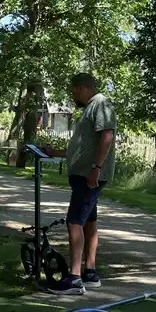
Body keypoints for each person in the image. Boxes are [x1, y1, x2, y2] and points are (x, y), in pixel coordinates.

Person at [46, 72, 116, 295]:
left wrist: (96, 168)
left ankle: (74, 278)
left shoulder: (100, 104)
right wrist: (54, 152)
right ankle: (90, 272)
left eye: (74, 90)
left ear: (83, 88)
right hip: (85, 174)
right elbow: (81, 148)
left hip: (90, 176)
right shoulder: (89, 109)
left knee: (74, 221)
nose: (73, 95)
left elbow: (107, 136)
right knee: (88, 222)